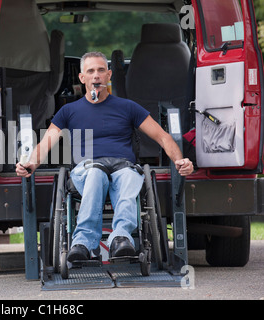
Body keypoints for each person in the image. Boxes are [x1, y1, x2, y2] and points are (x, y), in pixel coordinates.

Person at [16, 52, 194, 262]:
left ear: (109, 75)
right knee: (96, 173)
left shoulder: (127, 107)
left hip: (122, 167)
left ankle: (121, 238)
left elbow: (163, 137)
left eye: (101, 70)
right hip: (88, 169)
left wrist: (180, 160)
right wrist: (30, 164)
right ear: (82, 78)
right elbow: (45, 144)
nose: (96, 76)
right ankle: (82, 242)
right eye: (90, 71)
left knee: (129, 176)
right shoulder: (68, 111)